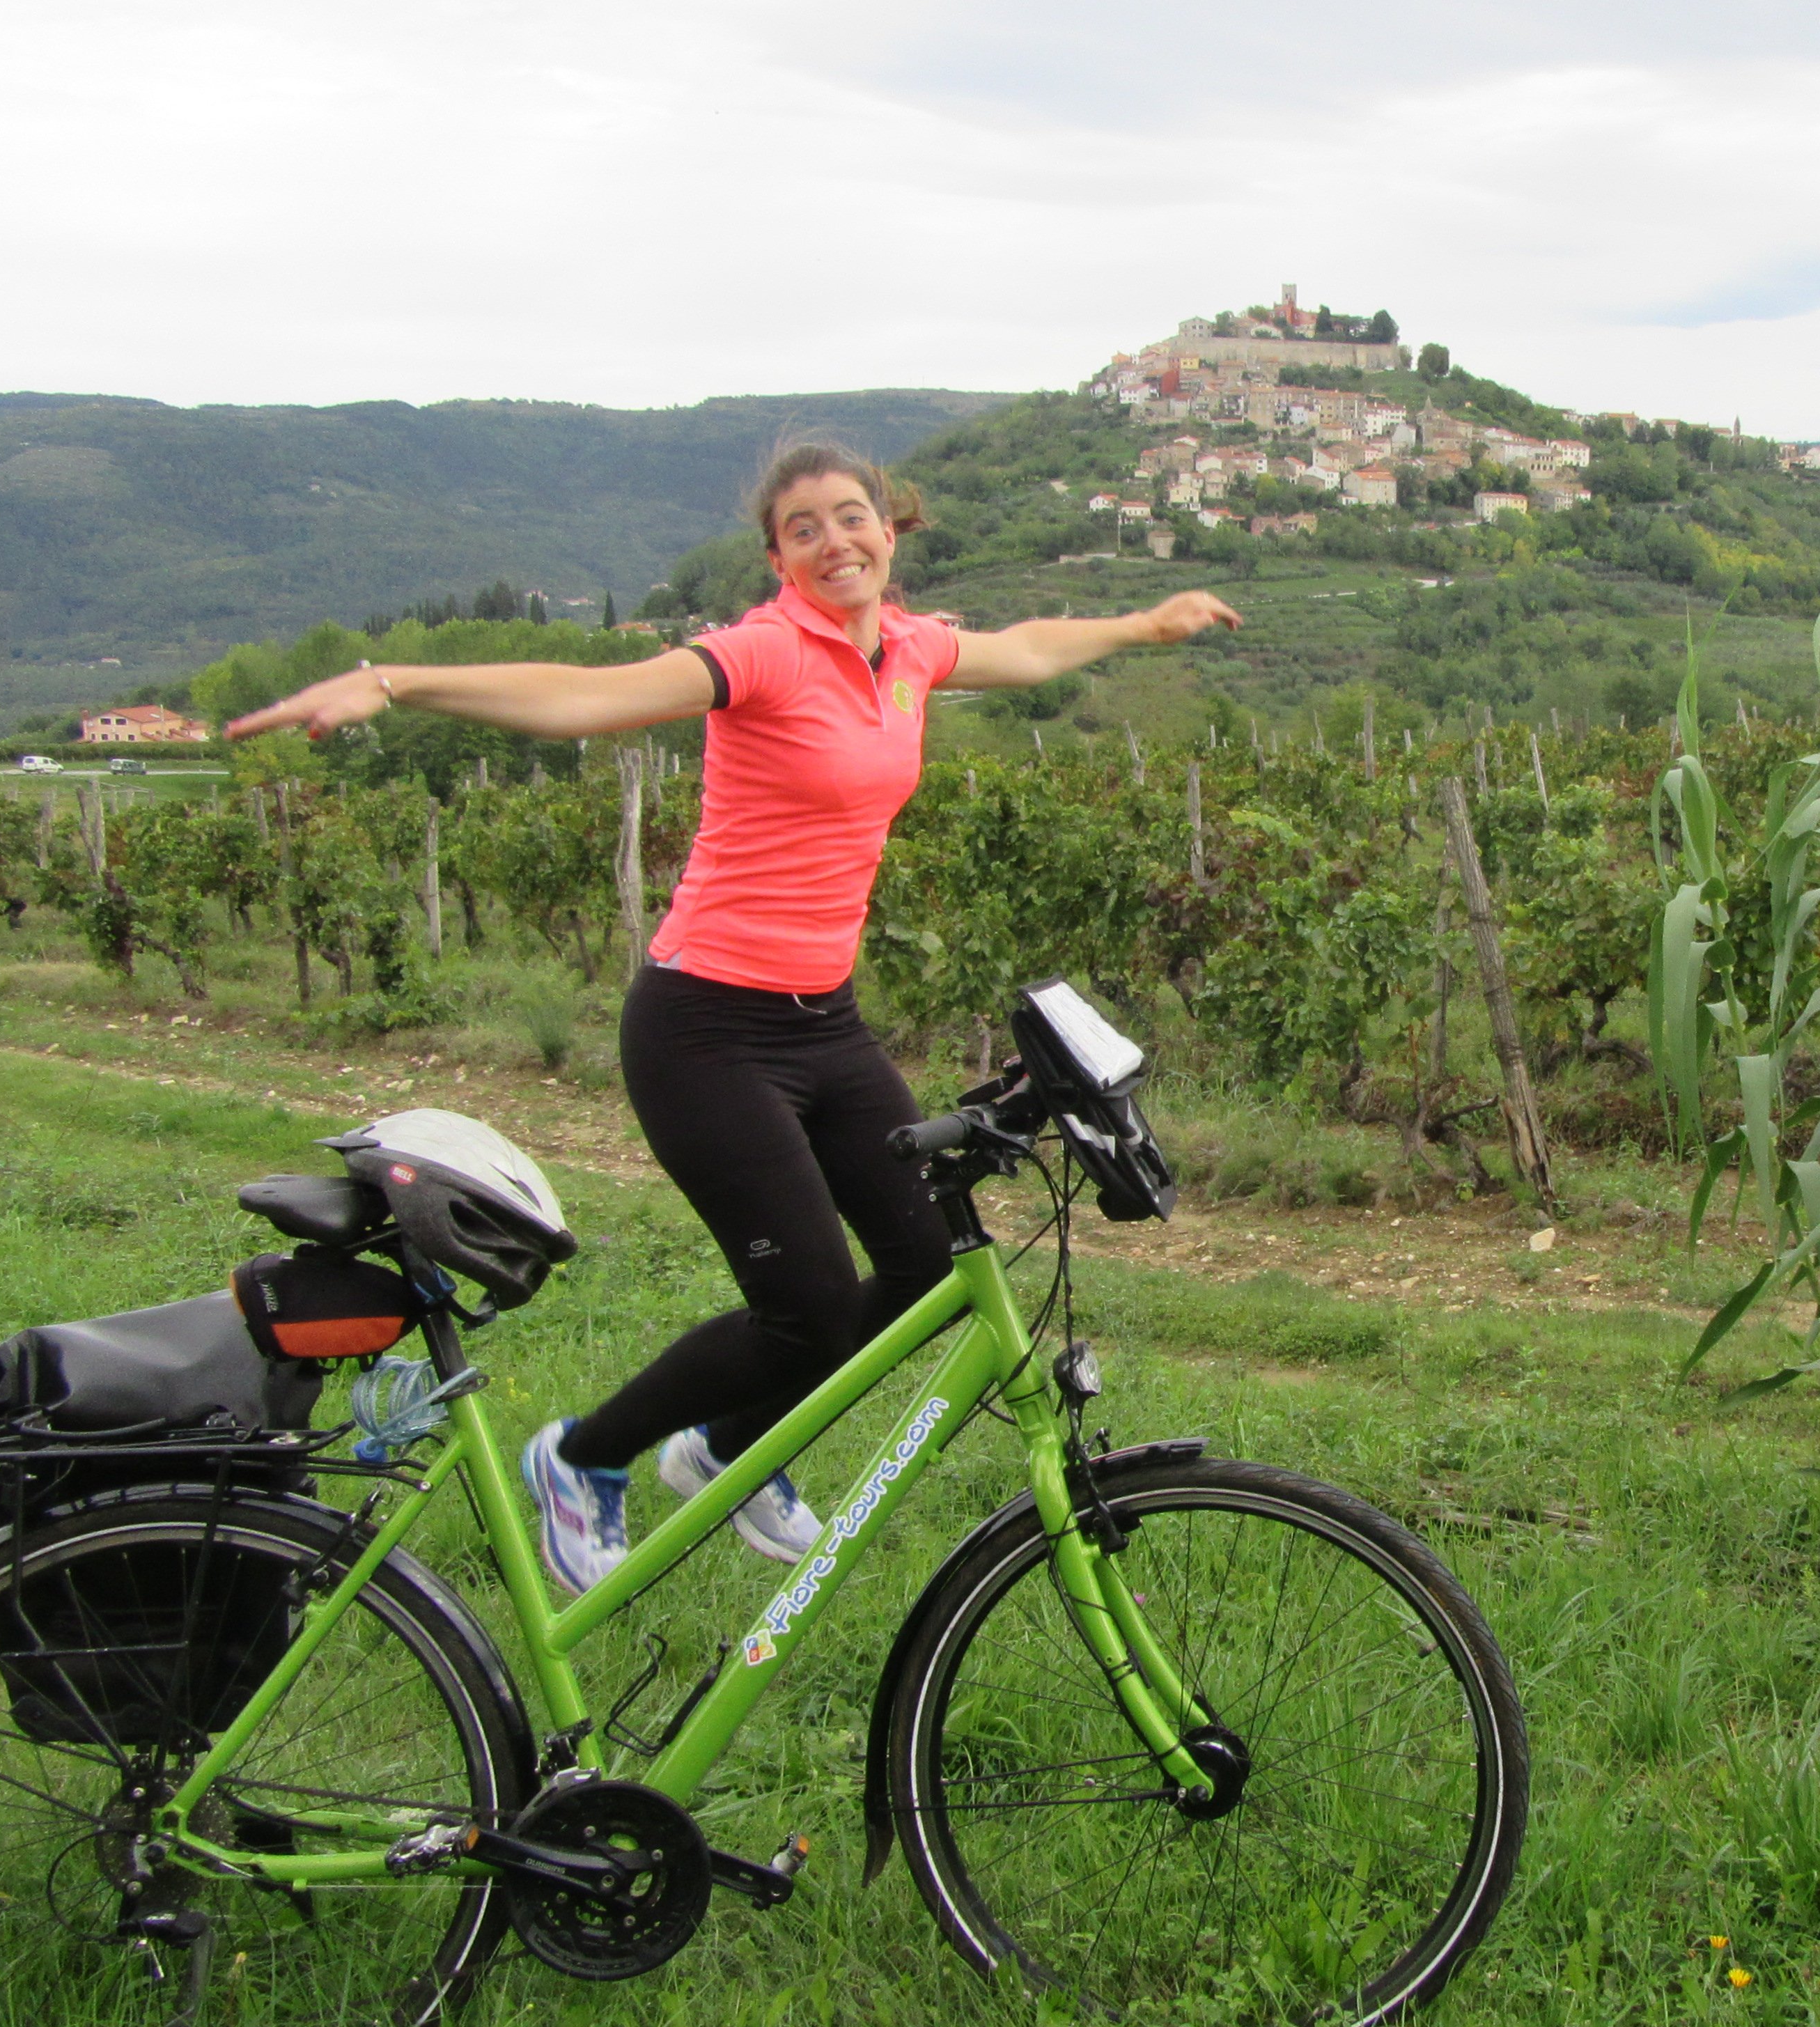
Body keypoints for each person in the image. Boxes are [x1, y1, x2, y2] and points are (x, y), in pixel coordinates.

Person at [226, 440, 1240, 1595]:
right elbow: (585, 700)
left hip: (825, 1023)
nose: (833, 540)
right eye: (803, 528)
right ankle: (583, 1457)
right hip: (706, 1029)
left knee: (922, 1262)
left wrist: (1145, 628)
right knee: (805, 1307)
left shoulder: (907, 651)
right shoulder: (761, 654)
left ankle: (726, 1447)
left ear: (889, 530)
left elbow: (1026, 650)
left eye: (850, 516)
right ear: (778, 557)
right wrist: (399, 680)